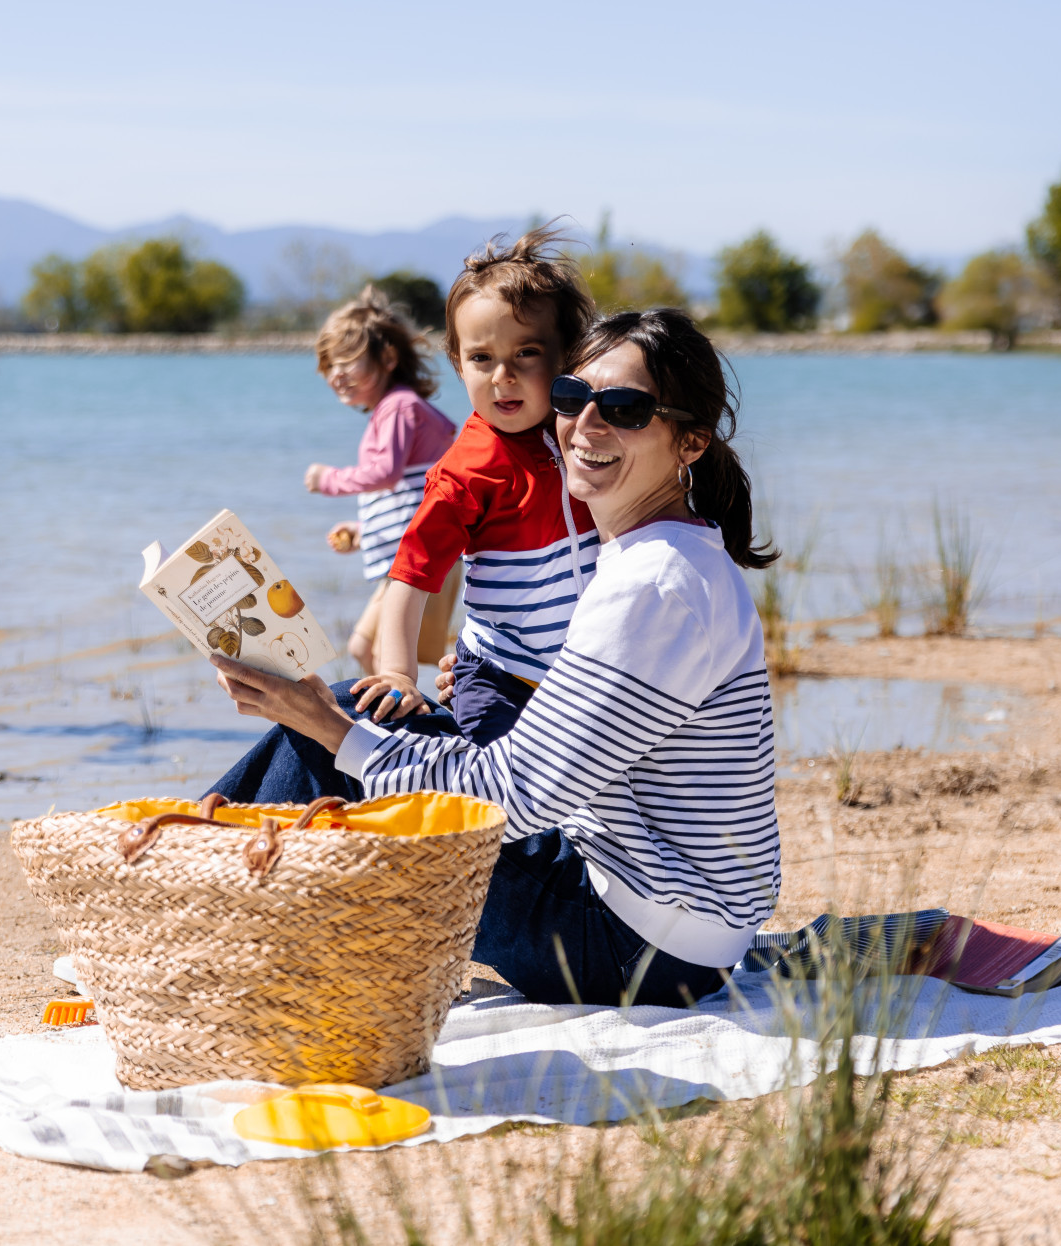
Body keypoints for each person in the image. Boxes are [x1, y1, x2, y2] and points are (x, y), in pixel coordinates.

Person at [209, 307, 781, 1008]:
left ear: (689, 443)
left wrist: (333, 734)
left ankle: (189, 923)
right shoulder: (672, 556)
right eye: (573, 398)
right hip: (672, 921)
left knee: (327, 738)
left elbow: (511, 798)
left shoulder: (654, 584)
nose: (586, 426)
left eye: (626, 409)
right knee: (358, 710)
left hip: (635, 945)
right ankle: (200, 903)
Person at [350, 227, 599, 745]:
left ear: (565, 357)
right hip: (501, 675)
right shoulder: (467, 470)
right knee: (501, 778)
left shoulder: (584, 432)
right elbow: (410, 579)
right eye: (482, 358)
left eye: (526, 353)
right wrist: (398, 672)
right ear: (459, 364)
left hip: (583, 669)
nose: (502, 375)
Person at [302, 287, 461, 674]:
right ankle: (393, 724)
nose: (336, 374)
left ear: (388, 358)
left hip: (420, 557)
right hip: (415, 552)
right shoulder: (398, 408)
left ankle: (397, 726)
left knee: (378, 654)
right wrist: (364, 530)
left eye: (347, 361)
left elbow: (385, 474)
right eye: (329, 365)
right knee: (366, 649)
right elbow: (409, 492)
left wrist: (329, 479)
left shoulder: (398, 407)